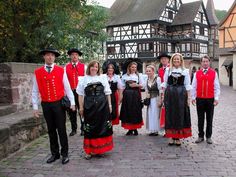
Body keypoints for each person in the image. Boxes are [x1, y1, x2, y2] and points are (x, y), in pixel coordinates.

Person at [32, 47, 75, 164]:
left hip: (58, 104)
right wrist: (35, 107)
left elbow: (67, 87)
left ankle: (65, 154)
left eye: (52, 55)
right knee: (51, 130)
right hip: (46, 104)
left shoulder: (61, 70)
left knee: (61, 129)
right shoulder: (37, 72)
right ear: (44, 57)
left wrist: (73, 103)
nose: (50, 57)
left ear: (54, 57)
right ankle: (54, 154)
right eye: (47, 55)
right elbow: (35, 91)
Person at [77, 60, 113, 159]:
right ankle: (89, 151)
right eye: (92, 66)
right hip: (89, 107)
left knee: (102, 127)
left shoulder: (103, 78)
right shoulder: (83, 79)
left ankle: (100, 149)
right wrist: (80, 107)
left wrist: (110, 105)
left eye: (96, 67)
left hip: (102, 106)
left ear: (98, 68)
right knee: (89, 128)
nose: (94, 68)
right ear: (89, 67)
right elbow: (80, 95)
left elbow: (107, 93)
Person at [162, 53, 192, 146]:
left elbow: (187, 85)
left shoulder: (185, 71)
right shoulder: (168, 70)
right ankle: (171, 136)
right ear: (172, 60)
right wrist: (163, 97)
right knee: (170, 114)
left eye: (178, 59)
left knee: (180, 115)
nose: (176, 61)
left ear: (181, 61)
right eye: (174, 59)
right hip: (170, 95)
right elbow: (165, 84)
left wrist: (188, 99)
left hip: (181, 95)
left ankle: (178, 137)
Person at [191, 55, 220, 144]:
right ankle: (200, 136)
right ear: (201, 63)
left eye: (207, 61)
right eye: (203, 61)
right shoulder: (197, 73)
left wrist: (216, 98)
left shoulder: (214, 73)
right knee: (200, 118)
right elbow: (193, 86)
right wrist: (193, 97)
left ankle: (208, 136)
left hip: (210, 99)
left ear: (209, 62)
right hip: (200, 99)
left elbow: (216, 87)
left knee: (209, 118)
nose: (205, 63)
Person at [120, 58, 144, 136]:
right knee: (128, 111)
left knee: (135, 111)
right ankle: (130, 129)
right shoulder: (124, 76)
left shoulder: (138, 75)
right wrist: (121, 96)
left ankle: (135, 129)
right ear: (129, 67)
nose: (134, 68)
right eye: (132, 67)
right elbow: (122, 87)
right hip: (127, 95)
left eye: (135, 67)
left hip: (135, 95)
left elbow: (142, 85)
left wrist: (136, 85)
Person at [65, 48, 85, 136]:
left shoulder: (84, 66)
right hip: (70, 92)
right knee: (72, 111)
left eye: (76, 55)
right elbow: (64, 81)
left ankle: (83, 128)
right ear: (70, 56)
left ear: (78, 56)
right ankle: (74, 129)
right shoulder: (66, 67)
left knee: (82, 110)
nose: (74, 56)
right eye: (72, 54)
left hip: (80, 92)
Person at [102, 61, 123, 125]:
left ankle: (111, 125)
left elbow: (120, 89)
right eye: (109, 68)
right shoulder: (103, 76)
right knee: (105, 111)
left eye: (112, 68)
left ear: (114, 69)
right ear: (106, 69)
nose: (110, 69)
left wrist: (119, 99)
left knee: (113, 110)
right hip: (105, 96)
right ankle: (106, 125)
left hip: (114, 95)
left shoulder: (117, 77)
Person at [145, 65, 162, 136]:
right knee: (150, 114)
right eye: (147, 71)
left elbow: (160, 90)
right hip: (150, 99)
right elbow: (146, 89)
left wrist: (160, 100)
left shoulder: (157, 79)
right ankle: (152, 129)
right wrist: (147, 97)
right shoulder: (147, 79)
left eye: (149, 71)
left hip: (156, 98)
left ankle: (156, 130)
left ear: (153, 71)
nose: (148, 72)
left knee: (156, 114)